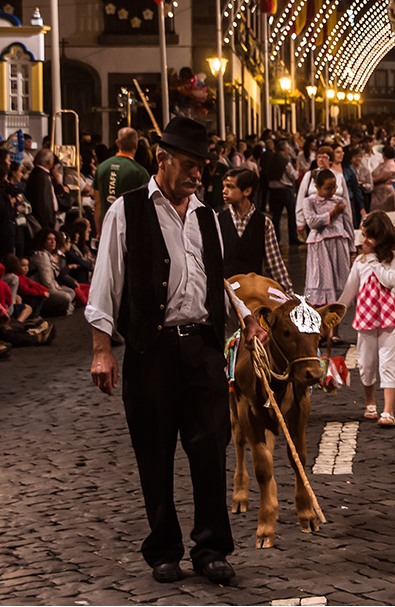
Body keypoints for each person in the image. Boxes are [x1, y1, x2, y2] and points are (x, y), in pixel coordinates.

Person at [86, 116, 267, 585]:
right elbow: (105, 283)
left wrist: (245, 318)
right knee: (155, 452)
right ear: (162, 160)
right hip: (152, 352)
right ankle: (163, 548)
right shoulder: (125, 212)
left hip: (202, 351)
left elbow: (216, 277)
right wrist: (102, 348)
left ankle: (211, 548)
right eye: (189, 165)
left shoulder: (207, 216)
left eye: (202, 167)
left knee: (211, 449)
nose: (197, 175)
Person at [338, 211, 395, 427]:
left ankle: (388, 410)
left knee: (388, 362)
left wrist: (374, 260)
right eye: (364, 235)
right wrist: (332, 315)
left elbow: (389, 280)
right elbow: (349, 292)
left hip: (388, 318)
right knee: (366, 363)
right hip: (366, 318)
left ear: (381, 237)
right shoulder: (359, 261)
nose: (364, 240)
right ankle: (370, 402)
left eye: (369, 236)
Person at [218, 168, 294, 295]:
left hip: (253, 292)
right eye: (224, 186)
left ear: (247, 191)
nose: (224, 191)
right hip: (225, 293)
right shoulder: (218, 220)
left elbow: (275, 265)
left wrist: (289, 295)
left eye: (230, 187)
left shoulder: (264, 223)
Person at [303, 169, 354, 309]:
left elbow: (348, 225)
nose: (332, 191)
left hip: (338, 246)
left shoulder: (339, 201)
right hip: (320, 248)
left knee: (337, 296)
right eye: (327, 188)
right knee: (320, 284)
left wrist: (352, 249)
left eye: (334, 187)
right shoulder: (309, 201)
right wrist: (331, 214)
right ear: (317, 187)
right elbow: (312, 222)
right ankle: (319, 329)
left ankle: (334, 330)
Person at [94, 127, 150, 236]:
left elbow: (97, 203)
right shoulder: (139, 172)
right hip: (131, 233)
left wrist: (99, 232)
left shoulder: (101, 168)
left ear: (117, 143)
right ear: (136, 145)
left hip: (108, 230)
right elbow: (145, 208)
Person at [28, 229, 76, 317]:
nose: (53, 242)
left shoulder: (48, 255)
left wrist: (59, 289)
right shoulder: (41, 255)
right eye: (49, 239)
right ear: (43, 241)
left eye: (54, 239)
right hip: (41, 291)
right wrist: (58, 291)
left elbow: (53, 279)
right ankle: (57, 310)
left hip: (50, 288)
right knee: (66, 297)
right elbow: (47, 281)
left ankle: (64, 308)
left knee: (71, 291)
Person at [27, 149, 59, 233]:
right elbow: (43, 202)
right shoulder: (40, 176)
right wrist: (46, 224)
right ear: (50, 162)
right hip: (44, 221)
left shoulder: (41, 174)